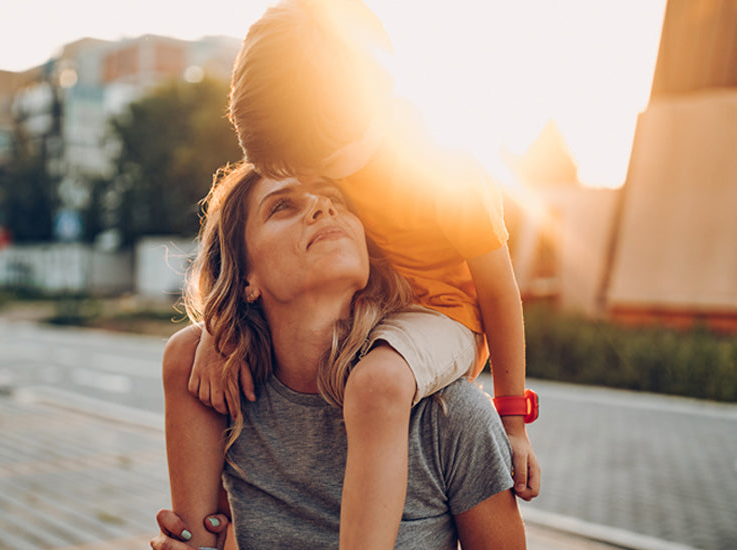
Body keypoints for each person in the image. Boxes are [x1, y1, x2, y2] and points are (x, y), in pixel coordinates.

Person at [182, 1, 542, 548]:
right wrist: (217, 327)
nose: (314, 183)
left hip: (445, 315)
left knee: (376, 385)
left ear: (369, 101)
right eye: (294, 168)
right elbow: (243, 228)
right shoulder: (315, 137)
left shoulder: (444, 169)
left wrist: (512, 421)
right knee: (184, 352)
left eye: (320, 158)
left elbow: (498, 287)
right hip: (386, 306)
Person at [153, 165, 527, 549]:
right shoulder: (223, 393)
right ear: (245, 276)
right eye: (282, 206)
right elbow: (207, 537)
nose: (322, 208)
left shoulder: (450, 417)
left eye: (337, 199)